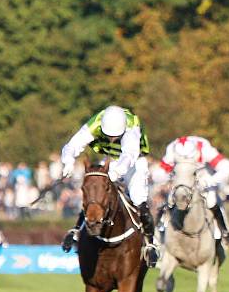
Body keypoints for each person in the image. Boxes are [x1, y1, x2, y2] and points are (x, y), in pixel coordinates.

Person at [60, 105, 159, 267]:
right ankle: (76, 230)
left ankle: (150, 243)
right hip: (110, 159)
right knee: (95, 193)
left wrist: (116, 173)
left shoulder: (131, 126)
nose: (112, 139)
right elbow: (72, 145)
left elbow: (129, 156)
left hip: (133, 163)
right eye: (109, 136)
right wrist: (68, 161)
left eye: (116, 137)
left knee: (138, 198)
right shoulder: (95, 123)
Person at [158, 136, 229, 244]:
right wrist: (168, 179)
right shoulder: (173, 148)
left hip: (202, 180)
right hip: (180, 181)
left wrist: (211, 180)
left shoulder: (204, 149)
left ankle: (224, 231)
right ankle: (159, 230)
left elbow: (226, 167)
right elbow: (160, 172)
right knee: (169, 202)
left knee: (211, 201)